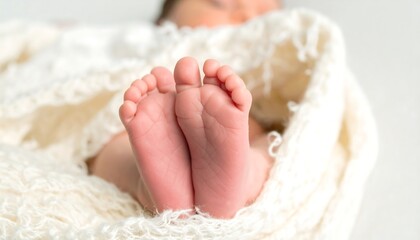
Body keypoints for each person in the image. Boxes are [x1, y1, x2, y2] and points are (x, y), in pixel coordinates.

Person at [89, 0, 281, 219]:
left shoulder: (273, 62)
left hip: (240, 121)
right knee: (113, 141)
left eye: (264, 15)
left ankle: (242, 181)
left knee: (273, 143)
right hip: (157, 116)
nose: (247, 16)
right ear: (164, 22)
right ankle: (149, 183)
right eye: (220, 4)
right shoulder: (138, 41)